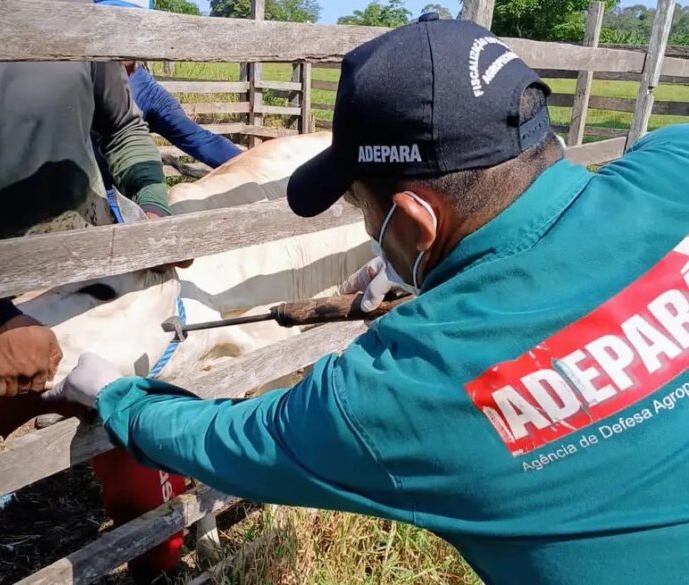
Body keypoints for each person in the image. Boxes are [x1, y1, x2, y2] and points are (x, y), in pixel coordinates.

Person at [47, 15, 689, 585]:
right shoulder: (671, 166)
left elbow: (233, 440)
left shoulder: (407, 388)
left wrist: (118, 397)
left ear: (414, 221)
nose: (365, 226)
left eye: (361, 207)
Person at [0, 57, 184, 582]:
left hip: (94, 294)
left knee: (148, 493)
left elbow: (122, 127)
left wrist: (154, 210)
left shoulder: (76, 31)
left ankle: (155, 569)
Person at [93, 0, 242, 180]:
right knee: (199, 139)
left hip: (115, 78)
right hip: (139, 82)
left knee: (99, 151)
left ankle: (107, 192)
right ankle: (254, 170)